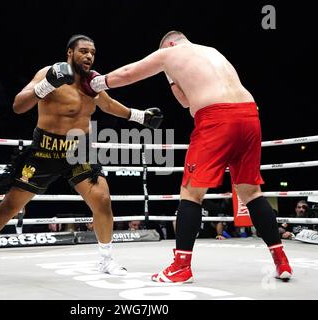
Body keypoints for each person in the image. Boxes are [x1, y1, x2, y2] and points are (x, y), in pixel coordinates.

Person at [0, 34, 163, 276]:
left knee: (102, 200)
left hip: (79, 149)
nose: (89, 56)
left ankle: (106, 259)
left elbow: (108, 104)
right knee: (9, 205)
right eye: (83, 51)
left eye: (92, 52)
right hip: (45, 149)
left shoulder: (91, 83)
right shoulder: (48, 73)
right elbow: (18, 105)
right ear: (69, 53)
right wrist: (47, 85)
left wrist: (140, 116)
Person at [88, 31, 292, 282]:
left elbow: (129, 73)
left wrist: (97, 83)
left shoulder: (170, 52)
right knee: (251, 192)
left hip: (216, 118)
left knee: (191, 193)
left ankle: (181, 266)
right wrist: (173, 80)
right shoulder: (213, 51)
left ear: (170, 44)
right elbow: (185, 101)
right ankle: (281, 262)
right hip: (249, 115)